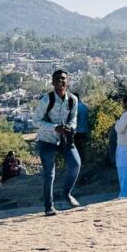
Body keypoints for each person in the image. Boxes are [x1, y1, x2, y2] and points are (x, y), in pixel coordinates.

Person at [32, 69, 81, 216]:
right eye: (57, 79)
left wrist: (70, 128)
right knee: (49, 173)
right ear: (52, 82)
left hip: (64, 139)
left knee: (76, 164)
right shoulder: (47, 100)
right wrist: (55, 128)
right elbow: (36, 121)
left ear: (68, 81)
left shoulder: (73, 100)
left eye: (63, 79)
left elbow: (73, 118)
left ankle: (67, 193)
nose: (60, 81)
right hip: (47, 139)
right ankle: (49, 206)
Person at [74, 92, 92, 167]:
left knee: (78, 147)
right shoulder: (85, 106)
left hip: (78, 131)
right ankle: (86, 161)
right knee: (84, 147)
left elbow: (75, 120)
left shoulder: (76, 108)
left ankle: (81, 162)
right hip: (85, 129)